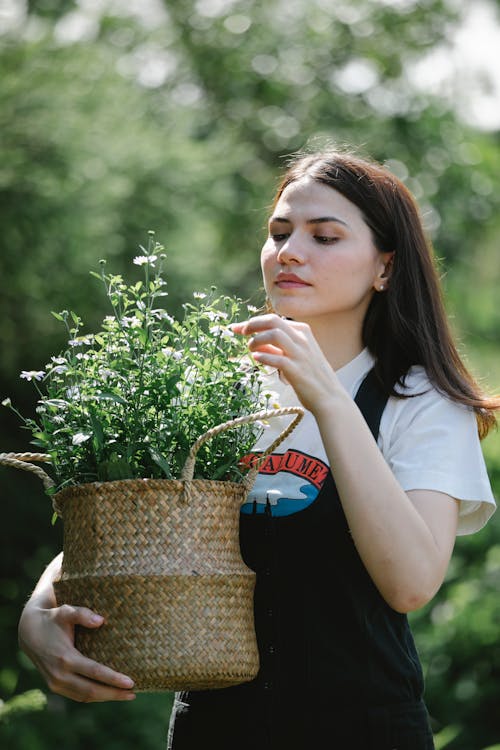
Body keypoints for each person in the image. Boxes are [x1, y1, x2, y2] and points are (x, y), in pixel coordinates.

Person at [18, 147, 498, 749]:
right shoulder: (211, 383)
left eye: (324, 236)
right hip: (211, 732)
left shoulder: (422, 399)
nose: (289, 251)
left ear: (386, 267)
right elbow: (128, 520)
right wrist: (39, 610)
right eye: (279, 232)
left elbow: (410, 584)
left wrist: (327, 397)